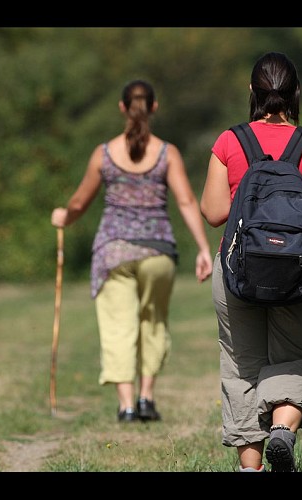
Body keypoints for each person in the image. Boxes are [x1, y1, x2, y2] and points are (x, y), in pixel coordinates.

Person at [200, 52, 302, 471]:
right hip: (297, 274)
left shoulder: (231, 142)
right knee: (294, 358)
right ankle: (283, 429)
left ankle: (251, 468)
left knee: (242, 366)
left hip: (237, 272)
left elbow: (213, 213)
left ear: (253, 92)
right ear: (296, 92)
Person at [51, 79, 213, 423]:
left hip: (114, 253)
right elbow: (186, 200)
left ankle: (125, 406)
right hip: (158, 253)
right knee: (152, 323)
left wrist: (64, 217)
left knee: (118, 326)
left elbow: (80, 201)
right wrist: (203, 248)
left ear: (123, 108)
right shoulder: (167, 153)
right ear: (154, 108)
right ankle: (146, 399)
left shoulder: (104, 153)